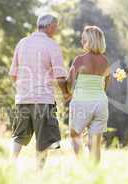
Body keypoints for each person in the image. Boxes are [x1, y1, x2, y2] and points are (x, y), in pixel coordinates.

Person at [9, 14, 69, 169]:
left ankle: (10, 164)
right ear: (50, 26)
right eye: (56, 27)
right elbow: (61, 76)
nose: (56, 30)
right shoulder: (51, 45)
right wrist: (65, 93)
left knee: (19, 136)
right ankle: (38, 172)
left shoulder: (22, 43)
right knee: (44, 139)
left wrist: (23, 88)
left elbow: (13, 74)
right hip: (43, 99)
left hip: (23, 98)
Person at [67, 26, 110, 163]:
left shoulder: (80, 59)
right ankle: (94, 174)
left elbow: (69, 82)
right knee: (95, 144)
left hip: (82, 101)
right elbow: (107, 82)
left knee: (74, 134)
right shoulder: (105, 61)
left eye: (83, 38)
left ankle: (81, 165)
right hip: (101, 103)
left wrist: (66, 90)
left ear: (89, 40)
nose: (81, 40)